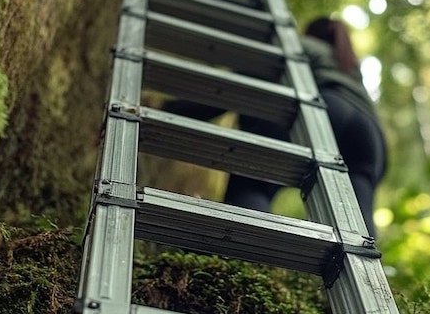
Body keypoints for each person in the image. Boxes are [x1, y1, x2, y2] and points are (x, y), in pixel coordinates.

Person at [164, 17, 387, 237]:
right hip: (369, 137)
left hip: (325, 109)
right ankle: (367, 271)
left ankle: (246, 255)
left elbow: (242, 82)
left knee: (253, 182)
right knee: (359, 225)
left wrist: (174, 108)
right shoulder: (350, 68)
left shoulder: (307, 46)